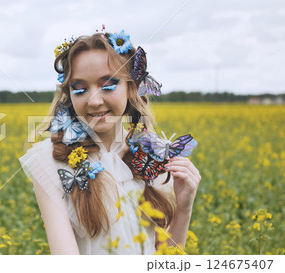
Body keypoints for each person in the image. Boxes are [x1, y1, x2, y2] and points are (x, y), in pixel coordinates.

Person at [19, 29, 201, 254]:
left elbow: (164, 258)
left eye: (108, 85)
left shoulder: (153, 155)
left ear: (131, 87)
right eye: (80, 89)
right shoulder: (50, 159)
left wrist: (183, 209)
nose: (94, 101)